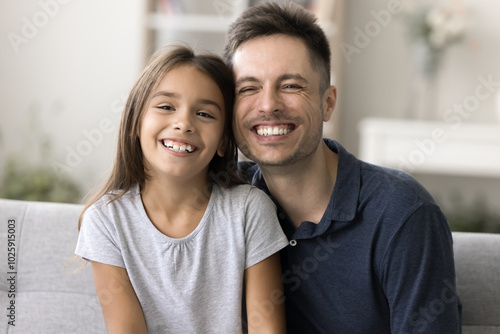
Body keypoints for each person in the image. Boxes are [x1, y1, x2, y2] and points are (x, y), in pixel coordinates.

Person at [223, 2, 462, 333]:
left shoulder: (403, 214)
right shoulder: (224, 200)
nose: (268, 105)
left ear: (328, 102)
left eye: (291, 85)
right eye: (248, 89)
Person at [75, 45, 288, 334]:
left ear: (224, 141)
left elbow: (267, 329)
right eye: (166, 107)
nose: (184, 123)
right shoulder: (105, 221)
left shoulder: (250, 211)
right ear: (136, 121)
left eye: (204, 114)